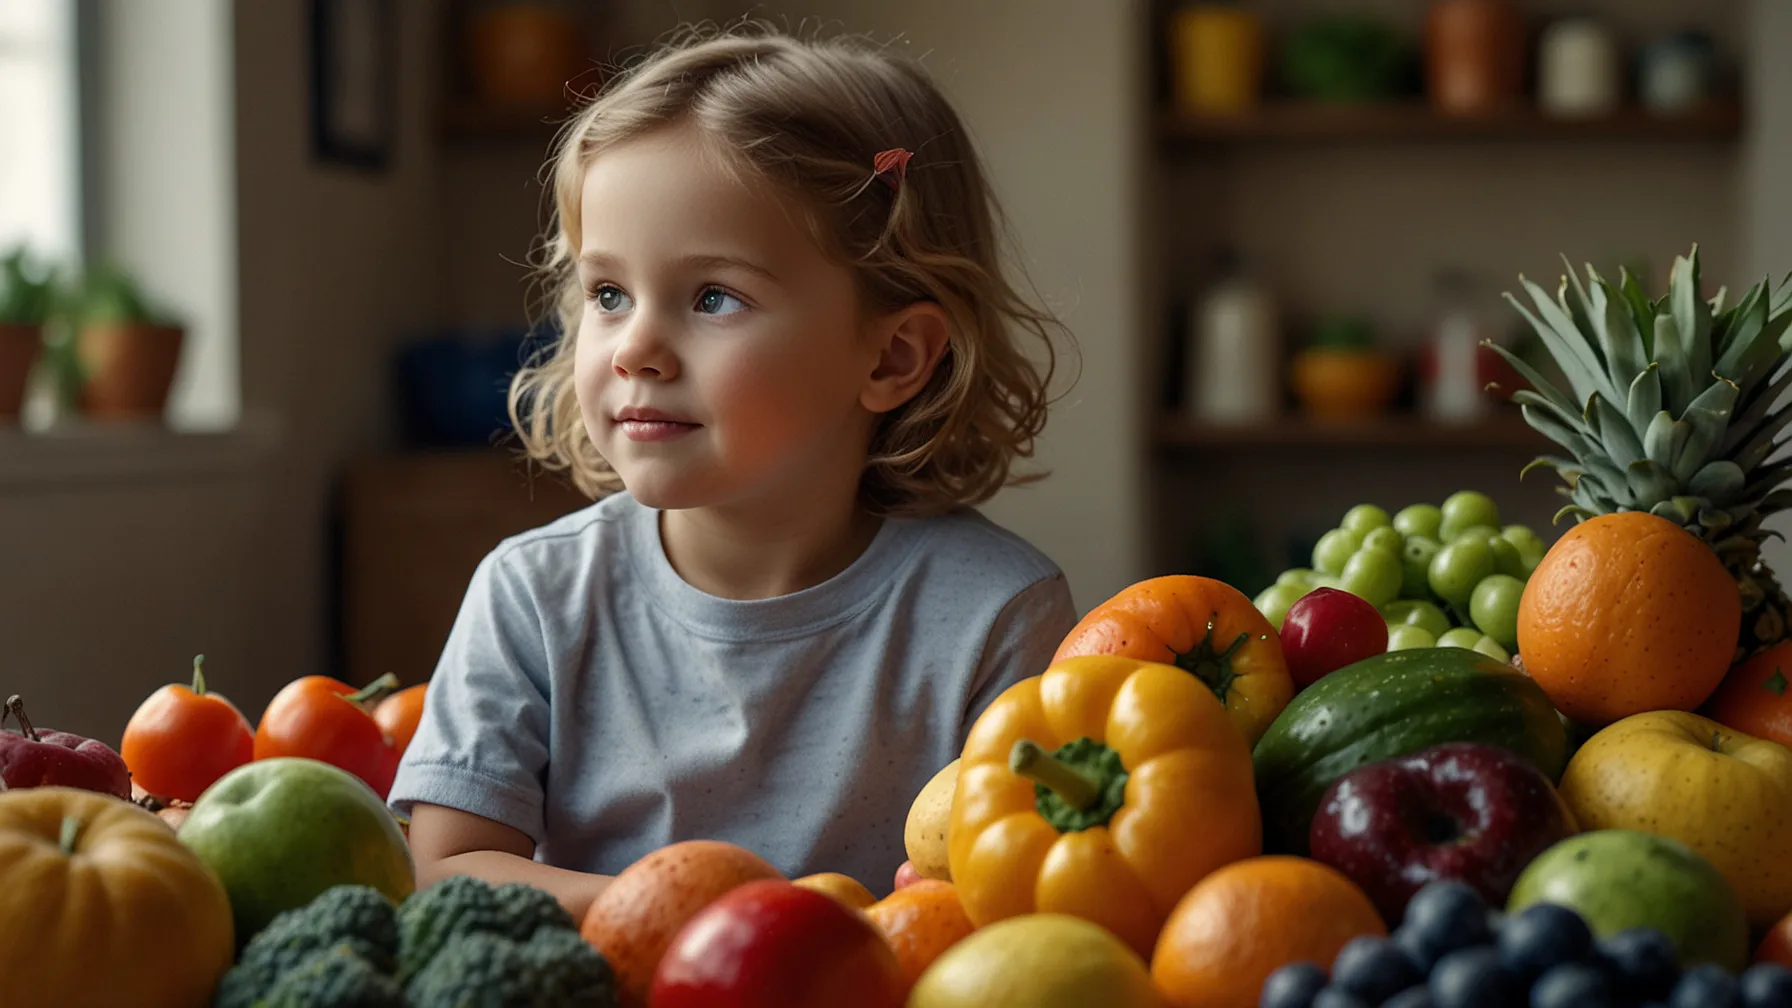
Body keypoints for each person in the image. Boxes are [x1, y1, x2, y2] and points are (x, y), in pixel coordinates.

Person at [389, 22, 1080, 920]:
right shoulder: (532, 595)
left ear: (893, 358)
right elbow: (448, 871)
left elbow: (1009, 914)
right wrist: (710, 919)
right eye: (608, 293)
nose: (635, 346)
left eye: (714, 296)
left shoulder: (999, 618)